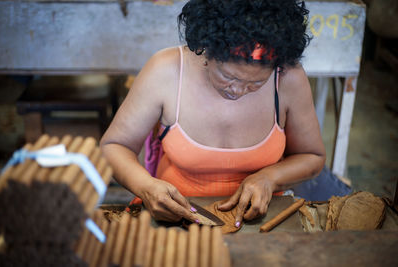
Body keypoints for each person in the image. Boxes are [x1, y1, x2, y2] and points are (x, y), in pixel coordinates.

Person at [100, 0, 350, 227]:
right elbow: (113, 146)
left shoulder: (288, 78)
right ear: (206, 51)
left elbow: (312, 156)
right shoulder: (166, 70)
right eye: (228, 77)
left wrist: (270, 178)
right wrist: (146, 187)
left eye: (255, 84)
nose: (239, 90)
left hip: (263, 217)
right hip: (179, 215)